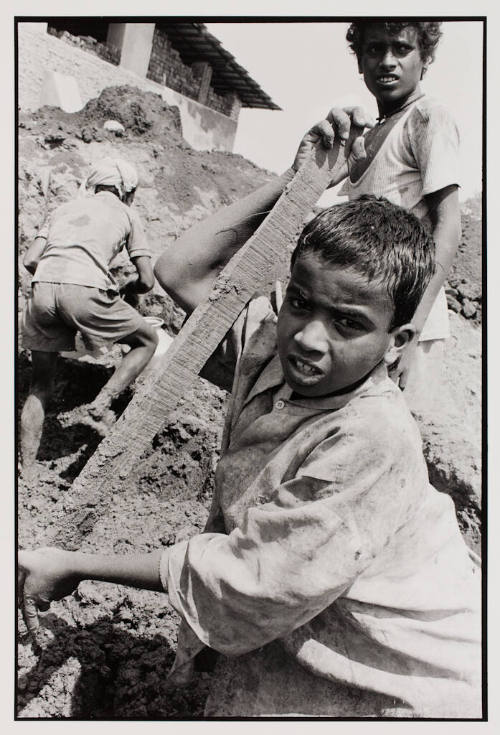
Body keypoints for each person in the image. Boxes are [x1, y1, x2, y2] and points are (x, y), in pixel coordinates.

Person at [18, 130, 480, 718]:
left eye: (348, 323)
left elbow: (252, 576)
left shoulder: (370, 436)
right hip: (311, 620)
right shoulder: (270, 354)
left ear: (398, 343)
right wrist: (299, 180)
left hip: (405, 676)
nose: (310, 338)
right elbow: (179, 270)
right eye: (301, 303)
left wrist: (78, 565)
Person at [334, 21, 461, 410]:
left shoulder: (428, 117)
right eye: (374, 49)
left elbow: (448, 226)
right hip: (369, 319)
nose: (387, 62)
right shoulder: (372, 130)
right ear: (359, 58)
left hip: (406, 326)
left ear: (425, 58)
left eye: (401, 49)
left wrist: (412, 330)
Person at [20, 157, 158, 483]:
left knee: (39, 386)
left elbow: (29, 260)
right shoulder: (127, 213)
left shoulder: (63, 209)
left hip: (41, 290)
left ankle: (27, 474)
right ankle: (102, 402)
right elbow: (148, 280)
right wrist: (126, 288)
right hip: (84, 290)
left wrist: (58, 286)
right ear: (126, 190)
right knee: (146, 340)